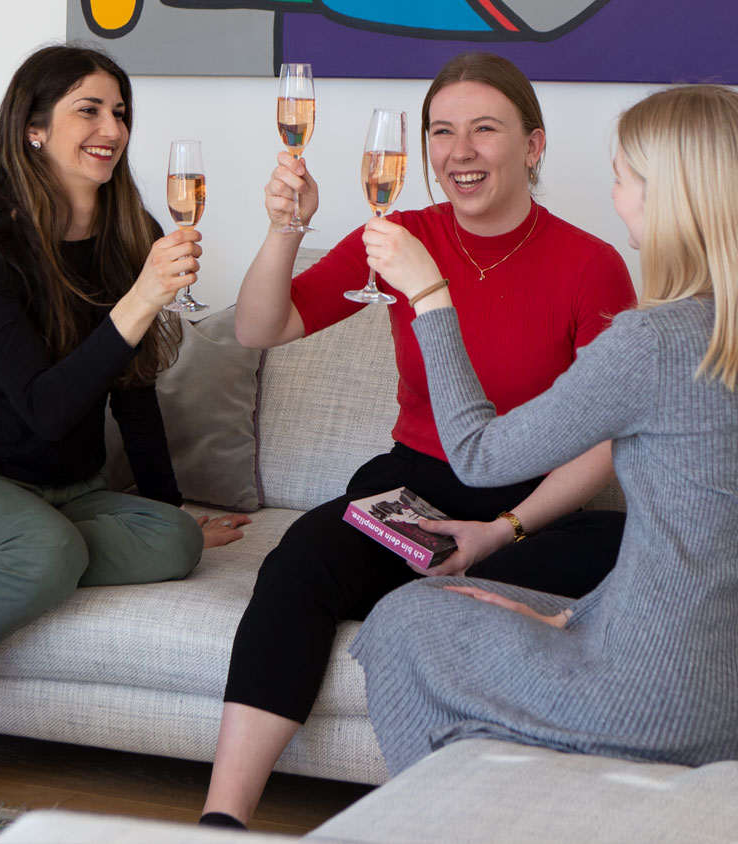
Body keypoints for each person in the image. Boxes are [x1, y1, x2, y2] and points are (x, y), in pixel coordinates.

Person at [200, 52, 636, 829]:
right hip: (416, 486)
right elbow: (260, 326)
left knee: (622, 556)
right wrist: (283, 229)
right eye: (441, 131)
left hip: (536, 500)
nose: (458, 151)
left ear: (533, 146)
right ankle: (223, 820)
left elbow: (604, 441)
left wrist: (502, 531)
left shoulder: (591, 265)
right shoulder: (398, 236)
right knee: (299, 562)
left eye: (484, 130)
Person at [353, 82, 738, 773]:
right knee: (458, 595)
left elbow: (476, 454)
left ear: (667, 196)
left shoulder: (651, 342)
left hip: (650, 694)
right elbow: (696, 546)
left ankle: (441, 819)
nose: (614, 195)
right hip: (724, 690)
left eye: (620, 179)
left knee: (403, 620)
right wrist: (569, 618)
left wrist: (430, 293)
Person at [0, 44, 249, 704]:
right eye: (89, 111)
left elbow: (133, 389)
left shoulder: (133, 234)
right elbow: (44, 409)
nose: (112, 130)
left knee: (177, 544)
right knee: (45, 551)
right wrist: (139, 302)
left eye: (120, 112)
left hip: (70, 490)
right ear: (34, 129)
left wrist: (170, 508)